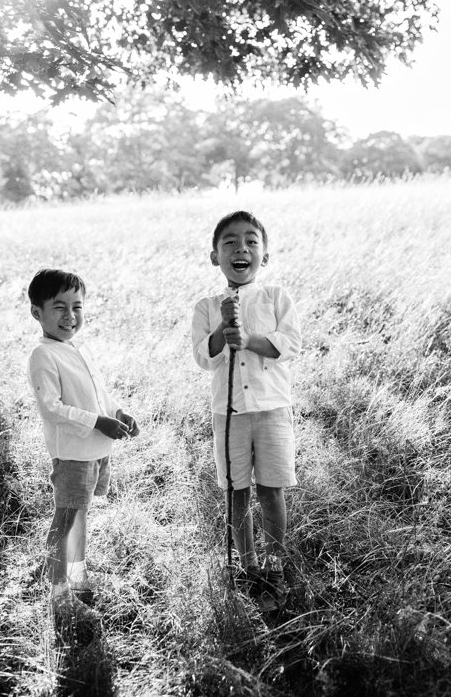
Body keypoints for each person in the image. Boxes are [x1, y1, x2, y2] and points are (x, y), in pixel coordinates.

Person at [191, 210, 301, 610]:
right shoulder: (206, 306)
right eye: (230, 242)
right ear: (215, 256)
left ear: (265, 256)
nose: (242, 248)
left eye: (252, 241)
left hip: (272, 409)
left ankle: (274, 564)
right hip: (229, 413)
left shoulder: (276, 298)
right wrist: (223, 328)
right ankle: (247, 565)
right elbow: (205, 358)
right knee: (236, 492)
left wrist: (250, 337)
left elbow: (289, 344)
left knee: (271, 488)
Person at [27, 268, 139, 607]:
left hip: (94, 450)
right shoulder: (43, 354)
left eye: (77, 306)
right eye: (59, 307)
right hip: (74, 452)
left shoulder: (79, 349)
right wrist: (97, 422)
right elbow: (52, 408)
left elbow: (98, 393)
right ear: (38, 313)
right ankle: (59, 592)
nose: (70, 315)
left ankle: (76, 577)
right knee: (66, 518)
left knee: (79, 515)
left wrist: (117, 413)